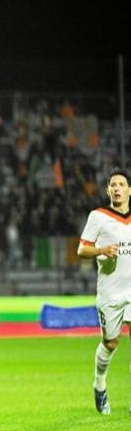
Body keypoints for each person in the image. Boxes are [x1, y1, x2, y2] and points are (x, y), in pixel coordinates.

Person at [77, 170, 131, 415]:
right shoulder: (98, 217)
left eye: (121, 184)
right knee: (110, 343)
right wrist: (101, 250)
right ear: (108, 191)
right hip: (111, 293)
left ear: (130, 190)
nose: (117, 188)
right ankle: (99, 384)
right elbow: (81, 250)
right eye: (113, 185)